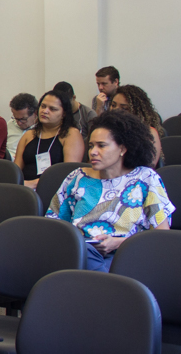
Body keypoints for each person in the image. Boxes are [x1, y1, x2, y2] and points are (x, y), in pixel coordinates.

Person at [47, 110, 173, 272]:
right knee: (81, 254)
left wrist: (118, 242)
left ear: (122, 148)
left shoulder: (146, 179)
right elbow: (55, 223)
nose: (92, 151)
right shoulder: (77, 177)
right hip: (81, 252)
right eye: (91, 145)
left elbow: (161, 236)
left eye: (102, 146)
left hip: (127, 254)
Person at [14, 90, 85, 189]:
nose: (45, 111)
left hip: (54, 190)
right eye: (43, 106)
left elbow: (69, 175)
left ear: (63, 114)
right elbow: (16, 171)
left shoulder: (71, 134)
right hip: (24, 189)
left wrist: (35, 184)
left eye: (52, 109)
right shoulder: (29, 135)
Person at [110, 84, 165, 165]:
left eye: (124, 108)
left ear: (136, 111)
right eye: (113, 105)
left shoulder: (149, 133)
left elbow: (149, 165)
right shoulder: (107, 130)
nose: (116, 110)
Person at [6, 93, 38, 160]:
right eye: (16, 118)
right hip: (8, 164)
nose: (19, 123)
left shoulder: (43, 129)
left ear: (35, 113)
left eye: (23, 119)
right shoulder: (10, 125)